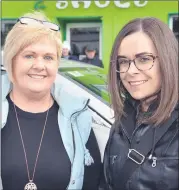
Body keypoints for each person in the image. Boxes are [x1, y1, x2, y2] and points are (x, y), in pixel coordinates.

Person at [1, 11, 101, 190]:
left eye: (48, 57)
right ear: (11, 60)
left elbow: (91, 183)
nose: (39, 65)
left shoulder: (78, 117)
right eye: (29, 55)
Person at [103, 17, 178, 190]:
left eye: (144, 59)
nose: (130, 71)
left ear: (168, 60)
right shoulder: (120, 125)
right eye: (123, 62)